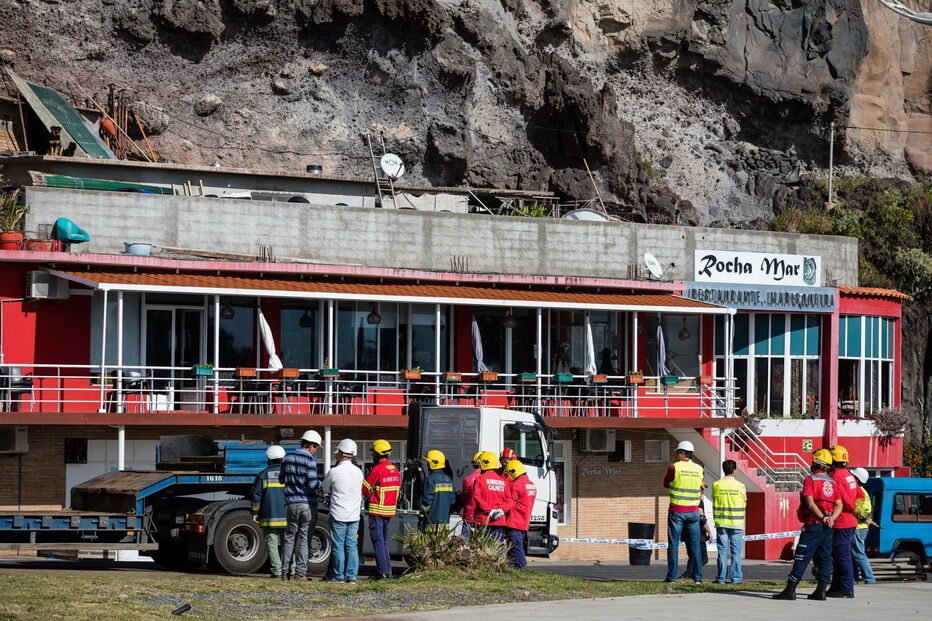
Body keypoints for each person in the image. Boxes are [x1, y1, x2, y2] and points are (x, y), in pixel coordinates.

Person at [773, 449, 842, 601]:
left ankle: (790, 590)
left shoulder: (810, 480)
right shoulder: (833, 482)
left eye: (813, 462)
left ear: (817, 464)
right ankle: (821, 590)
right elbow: (839, 504)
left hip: (814, 524)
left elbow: (810, 503)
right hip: (828, 527)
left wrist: (823, 517)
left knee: (801, 557)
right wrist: (831, 518)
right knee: (825, 558)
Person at [279, 429, 321, 581]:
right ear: (311, 446)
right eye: (316, 448)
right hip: (306, 504)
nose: (314, 451)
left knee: (289, 537)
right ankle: (300, 573)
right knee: (304, 538)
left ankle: (284, 572)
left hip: (291, 503)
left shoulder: (287, 457)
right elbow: (312, 483)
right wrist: (321, 483)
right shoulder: (310, 460)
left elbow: (281, 479)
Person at [322, 438, 363, 584]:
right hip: (354, 515)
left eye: (337, 452)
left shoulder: (334, 471)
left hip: (338, 514)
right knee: (351, 546)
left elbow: (325, 488)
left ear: (341, 452)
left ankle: (338, 576)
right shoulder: (359, 472)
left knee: (338, 546)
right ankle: (351, 577)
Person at [663, 440, 704, 583]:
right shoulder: (699, 468)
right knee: (695, 546)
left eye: (677, 452)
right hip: (693, 512)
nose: (676, 455)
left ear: (682, 453)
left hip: (677, 511)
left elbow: (665, 484)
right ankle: (698, 577)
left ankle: (671, 577)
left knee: (673, 545)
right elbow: (701, 486)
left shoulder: (674, 467)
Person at [827, 444, 864, 598]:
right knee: (838, 556)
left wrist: (853, 508)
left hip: (842, 522)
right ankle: (836, 587)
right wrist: (858, 509)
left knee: (841, 556)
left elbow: (843, 500)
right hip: (850, 522)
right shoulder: (848, 475)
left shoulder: (836, 476)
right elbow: (860, 494)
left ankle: (846, 588)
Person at [362, 439, 401, 580]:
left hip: (377, 511)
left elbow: (364, 489)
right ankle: (387, 571)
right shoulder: (395, 470)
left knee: (378, 542)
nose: (372, 456)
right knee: (383, 542)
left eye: (373, 453)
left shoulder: (377, 470)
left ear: (378, 454)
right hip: (388, 511)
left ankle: (382, 573)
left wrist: (371, 493)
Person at [250, 445, 288, 578]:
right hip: (288, 517)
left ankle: (277, 571)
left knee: (272, 543)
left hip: (269, 517)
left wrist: (255, 513)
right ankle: (290, 570)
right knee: (288, 544)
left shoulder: (263, 475)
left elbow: (256, 496)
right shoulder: (289, 475)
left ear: (269, 459)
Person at [712, 459, 747, 585]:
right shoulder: (741, 486)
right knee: (736, 551)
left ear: (723, 469)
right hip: (736, 523)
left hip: (722, 522)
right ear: (734, 470)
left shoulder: (716, 485)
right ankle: (736, 578)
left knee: (722, 550)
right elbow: (744, 502)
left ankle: (721, 578)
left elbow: (714, 500)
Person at [503, 459, 536, 569]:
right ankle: (512, 566)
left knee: (515, 546)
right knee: (516, 545)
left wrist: (500, 510)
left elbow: (510, 503)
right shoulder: (531, 484)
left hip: (514, 521)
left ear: (513, 471)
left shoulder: (516, 485)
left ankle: (522, 565)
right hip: (524, 521)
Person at [849, 467, 877, 585]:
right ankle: (853, 578)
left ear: (857, 479)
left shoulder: (858, 492)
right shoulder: (862, 491)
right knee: (852, 553)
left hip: (859, 527)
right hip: (860, 526)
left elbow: (856, 510)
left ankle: (869, 579)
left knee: (858, 553)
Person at [473, 451, 509, 541]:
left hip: (483, 520)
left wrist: (490, 511)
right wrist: (501, 510)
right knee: (496, 550)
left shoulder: (479, 479)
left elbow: (477, 497)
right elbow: (509, 500)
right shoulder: (503, 481)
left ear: (484, 464)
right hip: (499, 520)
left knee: (481, 550)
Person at [420, 450, 456, 528]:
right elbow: (452, 501)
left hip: (431, 521)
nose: (427, 465)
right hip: (445, 521)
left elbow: (427, 502)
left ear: (433, 463)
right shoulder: (449, 480)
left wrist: (421, 518)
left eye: (428, 463)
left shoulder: (430, 479)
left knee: (430, 540)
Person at [459, 451, 483, 539]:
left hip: (469, 515)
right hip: (483, 518)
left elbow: (463, 498)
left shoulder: (468, 479)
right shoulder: (489, 479)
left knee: (465, 545)